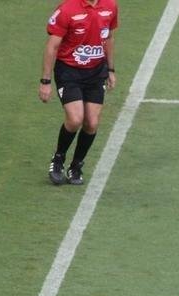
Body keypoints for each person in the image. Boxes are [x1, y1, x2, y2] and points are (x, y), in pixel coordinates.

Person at [39, 0, 119, 186]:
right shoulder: (67, 9)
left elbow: (108, 37)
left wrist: (111, 69)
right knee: (75, 119)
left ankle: (76, 165)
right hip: (69, 72)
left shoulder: (110, 6)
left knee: (91, 122)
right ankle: (58, 159)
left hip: (96, 72)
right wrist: (45, 81)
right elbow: (52, 46)